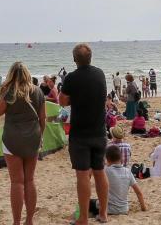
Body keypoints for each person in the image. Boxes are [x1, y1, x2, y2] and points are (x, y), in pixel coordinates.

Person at [60, 43, 111, 225]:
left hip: (80, 133)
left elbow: (62, 101)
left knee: (82, 175)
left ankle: (83, 218)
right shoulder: (100, 74)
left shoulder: (71, 78)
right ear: (90, 58)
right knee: (100, 172)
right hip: (99, 131)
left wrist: (76, 98)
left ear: (74, 59)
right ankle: (103, 214)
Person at [0, 61, 46, 225]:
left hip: (12, 138)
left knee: (17, 181)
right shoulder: (37, 91)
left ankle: (16, 222)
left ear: (11, 75)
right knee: (29, 180)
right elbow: (42, 118)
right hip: (33, 137)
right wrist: (40, 135)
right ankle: (29, 220)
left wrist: (1, 93)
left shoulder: (9, 92)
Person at [104, 144, 149, 215]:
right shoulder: (127, 171)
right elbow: (139, 193)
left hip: (109, 209)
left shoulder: (106, 170)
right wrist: (143, 208)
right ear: (121, 158)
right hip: (124, 209)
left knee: (91, 203)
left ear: (107, 159)